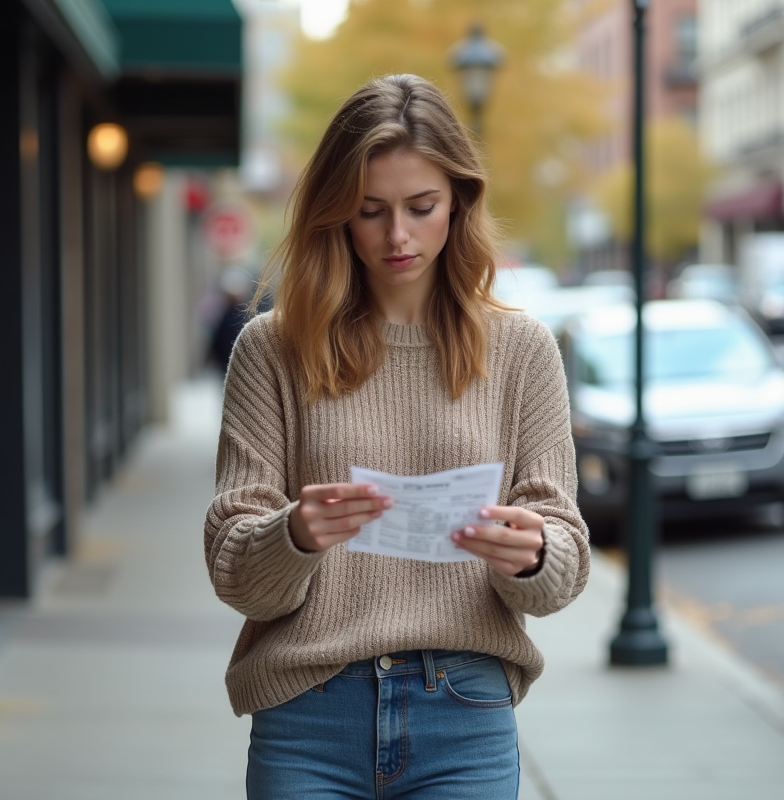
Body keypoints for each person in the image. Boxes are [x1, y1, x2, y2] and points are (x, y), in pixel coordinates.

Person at [204, 73, 591, 799]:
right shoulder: (271, 349)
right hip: (308, 713)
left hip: (465, 712)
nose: (398, 236)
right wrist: (296, 535)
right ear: (337, 215)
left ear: (459, 203)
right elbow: (235, 572)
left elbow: (563, 566)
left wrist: (533, 552)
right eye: (370, 211)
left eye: (422, 207)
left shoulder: (521, 349)